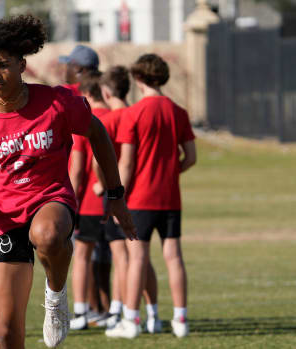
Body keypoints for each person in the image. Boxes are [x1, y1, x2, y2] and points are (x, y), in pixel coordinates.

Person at [0, 15, 137, 349]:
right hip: (3, 221)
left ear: (23, 64)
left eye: (4, 66)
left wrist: (115, 194)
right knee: (8, 334)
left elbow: (97, 133)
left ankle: (55, 296)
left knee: (48, 235)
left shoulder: (57, 102)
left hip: (49, 201)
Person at [105, 54, 196, 339]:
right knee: (174, 257)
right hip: (170, 198)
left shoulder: (134, 114)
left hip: (141, 199)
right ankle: (180, 320)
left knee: (137, 259)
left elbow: (127, 163)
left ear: (139, 79)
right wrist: (170, 173)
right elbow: (190, 157)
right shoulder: (178, 112)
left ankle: (131, 320)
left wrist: (117, 195)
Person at [94, 66, 161, 332]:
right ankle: (152, 314)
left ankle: (122, 312)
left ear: (106, 92)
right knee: (142, 257)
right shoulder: (138, 114)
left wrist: (104, 187)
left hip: (121, 195)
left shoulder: (110, 120)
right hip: (145, 192)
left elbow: (101, 161)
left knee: (123, 257)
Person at [68, 70, 113, 330]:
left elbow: (77, 169)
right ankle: (118, 310)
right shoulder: (120, 115)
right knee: (121, 256)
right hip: (120, 201)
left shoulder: (86, 122)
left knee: (82, 256)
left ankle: (82, 312)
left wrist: (70, 203)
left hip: (89, 203)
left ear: (86, 95)